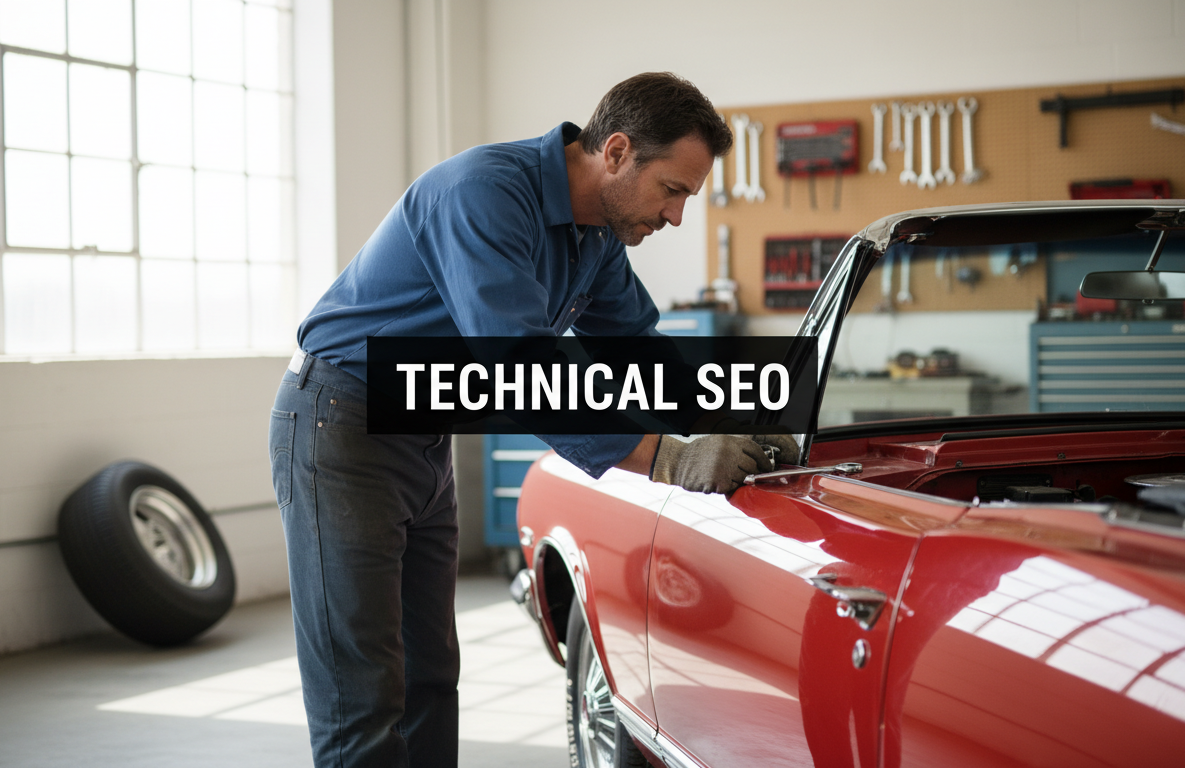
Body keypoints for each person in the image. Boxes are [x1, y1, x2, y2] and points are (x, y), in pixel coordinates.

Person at [268, 72, 797, 768]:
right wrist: (671, 457)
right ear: (615, 152)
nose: (675, 217)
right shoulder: (484, 194)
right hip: (341, 425)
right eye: (672, 190)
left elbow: (635, 347)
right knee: (362, 693)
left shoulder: (597, 235)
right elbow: (520, 370)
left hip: (421, 433)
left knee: (430, 676)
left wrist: (740, 413)